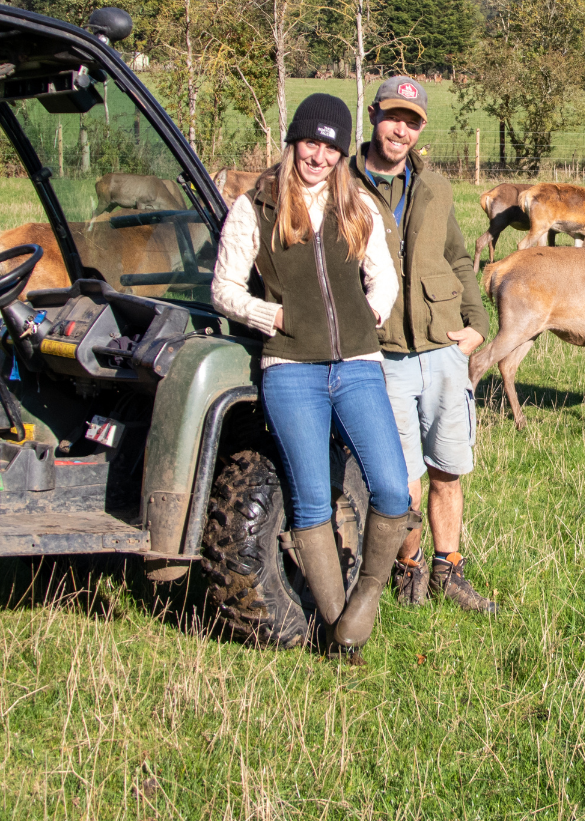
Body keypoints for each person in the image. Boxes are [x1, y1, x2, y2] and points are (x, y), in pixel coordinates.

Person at [212, 93, 418, 657]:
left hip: (357, 365)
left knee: (393, 489)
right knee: (309, 505)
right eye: (311, 143)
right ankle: (338, 632)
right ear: (294, 142)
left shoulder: (358, 207)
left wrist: (374, 309)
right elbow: (224, 289)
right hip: (290, 370)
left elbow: (385, 275)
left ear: (341, 153)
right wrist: (269, 315)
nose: (320, 157)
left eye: (331, 147)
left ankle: (367, 595)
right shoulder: (255, 207)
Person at [350, 76, 496, 613]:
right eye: (393, 117)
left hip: (441, 349)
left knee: (448, 471)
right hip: (381, 352)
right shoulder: (342, 185)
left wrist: (477, 321)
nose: (401, 130)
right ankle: (407, 570)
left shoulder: (435, 188)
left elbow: (458, 257)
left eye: (412, 122)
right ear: (373, 115)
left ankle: (448, 570)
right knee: (402, 480)